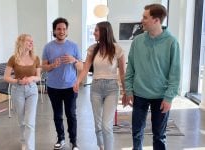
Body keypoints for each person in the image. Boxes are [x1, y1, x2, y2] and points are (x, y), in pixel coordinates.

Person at [125, 4, 180, 150]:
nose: (141, 20)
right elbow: (130, 67)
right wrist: (129, 90)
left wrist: (169, 97)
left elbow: (175, 73)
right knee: (137, 133)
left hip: (161, 97)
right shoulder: (137, 41)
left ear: (156, 20)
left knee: (159, 135)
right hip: (139, 95)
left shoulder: (171, 42)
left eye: (145, 17)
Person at [73, 21, 126, 150]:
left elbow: (123, 73)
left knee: (106, 125)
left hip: (112, 88)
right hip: (96, 88)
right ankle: (101, 146)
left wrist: (126, 92)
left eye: (96, 30)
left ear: (104, 32)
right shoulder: (93, 49)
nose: (94, 33)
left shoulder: (117, 49)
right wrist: (78, 81)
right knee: (97, 124)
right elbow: (85, 68)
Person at [42, 17, 83, 150]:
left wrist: (74, 60)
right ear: (54, 30)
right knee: (57, 115)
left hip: (70, 87)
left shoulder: (74, 46)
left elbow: (82, 67)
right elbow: (44, 67)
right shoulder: (48, 47)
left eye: (64, 29)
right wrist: (53, 65)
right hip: (53, 87)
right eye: (59, 29)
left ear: (67, 31)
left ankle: (74, 142)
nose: (61, 31)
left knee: (71, 114)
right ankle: (61, 138)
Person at [4, 34, 41, 150]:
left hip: (32, 90)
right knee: (22, 120)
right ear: (21, 42)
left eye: (32, 41)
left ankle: (30, 147)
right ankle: (24, 140)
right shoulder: (13, 58)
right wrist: (18, 81)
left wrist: (31, 79)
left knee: (30, 121)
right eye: (28, 41)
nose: (31, 43)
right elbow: (6, 77)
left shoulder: (36, 58)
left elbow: (39, 77)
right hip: (17, 90)